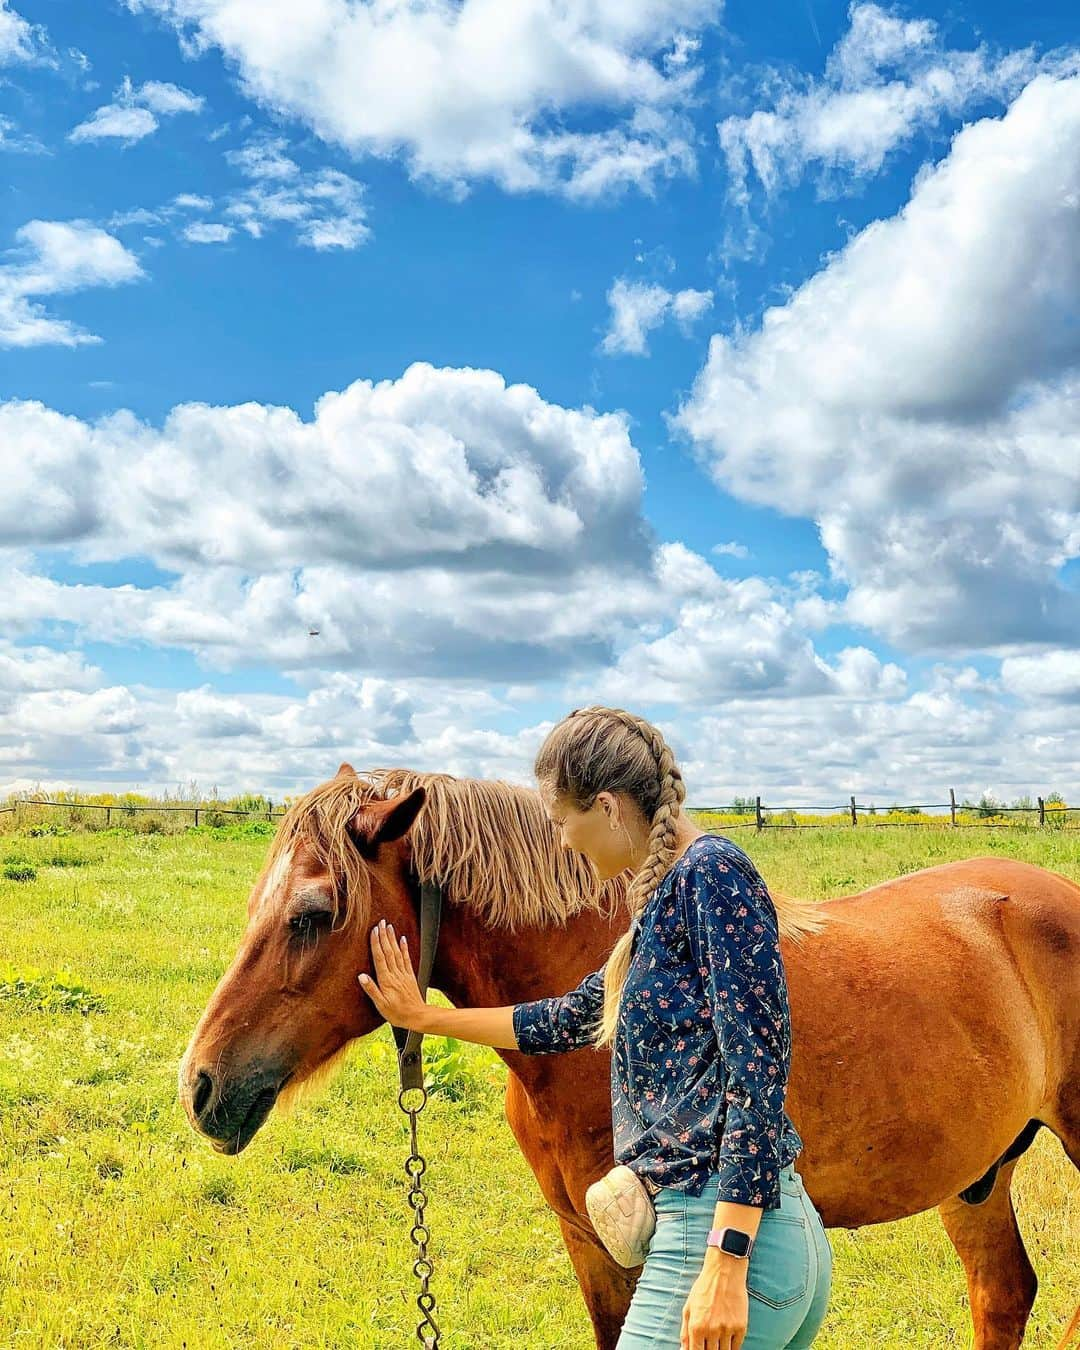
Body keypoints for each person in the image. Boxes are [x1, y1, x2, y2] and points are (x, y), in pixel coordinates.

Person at [357, 706, 832, 1350]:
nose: (561, 842)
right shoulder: (665, 895)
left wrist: (725, 1261)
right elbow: (572, 1017)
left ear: (607, 808)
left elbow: (759, 1071)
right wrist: (426, 1017)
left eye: (562, 822)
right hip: (734, 1233)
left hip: (719, 1239)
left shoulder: (712, 874)